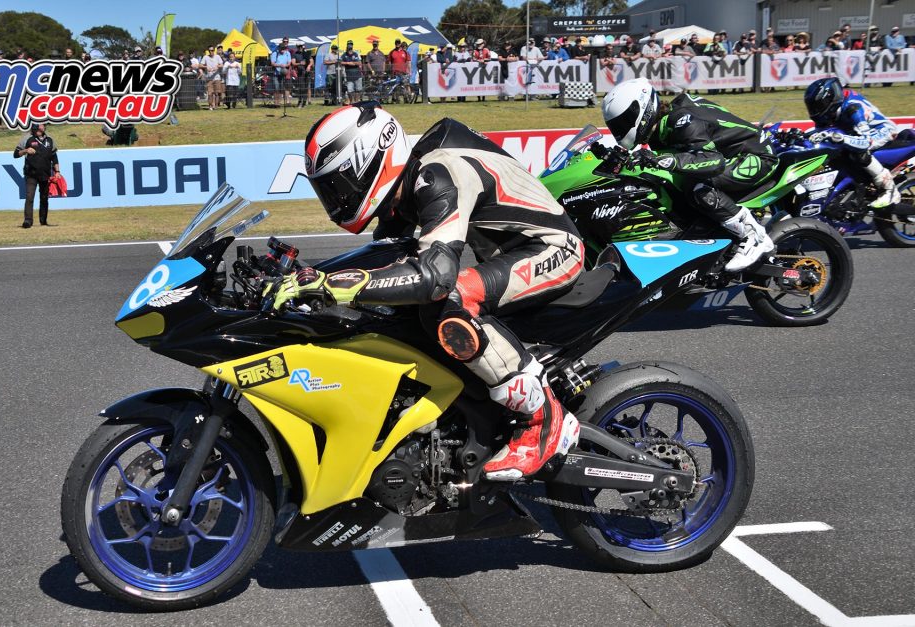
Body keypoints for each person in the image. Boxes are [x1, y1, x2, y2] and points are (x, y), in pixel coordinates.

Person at [271, 102, 583, 480]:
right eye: (328, 190)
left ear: (371, 159)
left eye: (340, 184)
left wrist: (335, 286)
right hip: (511, 254)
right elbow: (382, 266)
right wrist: (311, 278)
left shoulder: (437, 173)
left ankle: (542, 419)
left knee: (450, 301)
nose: (336, 198)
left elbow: (435, 274)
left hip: (552, 250)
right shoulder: (403, 193)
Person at [602, 78, 776, 272]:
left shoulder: (682, 119)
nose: (620, 130)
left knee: (696, 185)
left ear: (642, 110)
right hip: (731, 156)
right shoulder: (660, 126)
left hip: (755, 158)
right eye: (615, 126)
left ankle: (753, 236)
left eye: (623, 122)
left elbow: (713, 161)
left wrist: (667, 160)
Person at [804, 77, 900, 208]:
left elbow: (865, 141)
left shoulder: (853, 108)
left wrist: (841, 138)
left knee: (858, 152)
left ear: (829, 100)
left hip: (881, 130)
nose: (814, 111)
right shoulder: (830, 111)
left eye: (818, 107)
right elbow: (819, 132)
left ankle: (889, 190)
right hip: (856, 132)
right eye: (812, 108)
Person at [13, 123, 60, 228]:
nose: (40, 128)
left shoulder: (50, 139)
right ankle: (28, 221)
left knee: (44, 198)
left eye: (42, 126)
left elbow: (54, 157)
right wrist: (25, 150)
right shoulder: (27, 138)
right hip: (31, 174)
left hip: (45, 174)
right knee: (29, 197)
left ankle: (43, 221)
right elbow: (15, 154)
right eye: (38, 126)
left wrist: (57, 171)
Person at [270, 38, 293, 107]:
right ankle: (276, 103)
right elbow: (272, 63)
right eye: (282, 49)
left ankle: (282, 102)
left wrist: (285, 66)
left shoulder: (287, 53)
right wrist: (279, 65)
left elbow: (289, 62)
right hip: (276, 74)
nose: (283, 50)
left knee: (282, 88)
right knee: (276, 88)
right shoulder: (275, 53)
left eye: (284, 49)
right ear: (279, 48)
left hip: (284, 73)